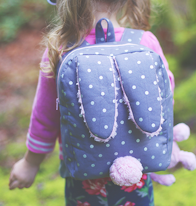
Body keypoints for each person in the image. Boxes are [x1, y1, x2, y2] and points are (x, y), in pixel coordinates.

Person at [9, 0, 175, 205]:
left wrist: (30, 163)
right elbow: (166, 100)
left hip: (83, 171)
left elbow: (45, 115)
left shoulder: (61, 49)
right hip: (137, 168)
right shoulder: (145, 42)